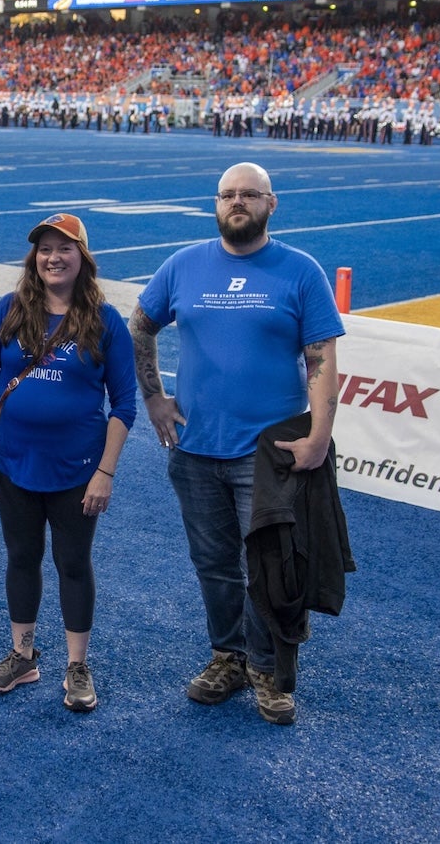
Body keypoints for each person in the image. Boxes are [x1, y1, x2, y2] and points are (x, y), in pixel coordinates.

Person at [128, 162, 344, 726]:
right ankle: (228, 655)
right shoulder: (183, 265)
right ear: (216, 204)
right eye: (229, 195)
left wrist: (320, 436)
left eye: (250, 194)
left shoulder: (301, 271)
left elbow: (321, 356)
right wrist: (153, 397)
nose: (238, 202)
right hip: (197, 448)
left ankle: (268, 669)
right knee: (214, 565)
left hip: (268, 454)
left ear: (273, 203)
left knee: (272, 567)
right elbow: (140, 326)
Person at [0, 214, 136, 712]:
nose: (53, 257)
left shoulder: (105, 320)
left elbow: (124, 404)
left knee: (73, 563)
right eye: (44, 249)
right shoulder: (10, 310)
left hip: (77, 469)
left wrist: (104, 472)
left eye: (65, 249)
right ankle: (23, 656)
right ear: (32, 258)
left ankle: (76, 666)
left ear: (83, 258)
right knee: (21, 556)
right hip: (12, 461)